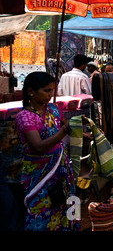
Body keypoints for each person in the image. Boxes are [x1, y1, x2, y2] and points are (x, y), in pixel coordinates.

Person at [15, 72, 79, 231]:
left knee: (67, 205)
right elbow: (39, 146)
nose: (51, 95)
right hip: (41, 174)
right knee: (43, 211)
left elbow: (64, 125)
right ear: (31, 91)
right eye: (46, 91)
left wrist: (82, 133)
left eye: (52, 90)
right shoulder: (25, 117)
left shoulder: (52, 109)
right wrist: (64, 131)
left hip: (62, 170)